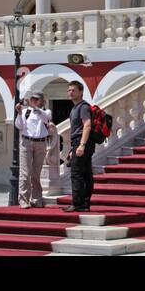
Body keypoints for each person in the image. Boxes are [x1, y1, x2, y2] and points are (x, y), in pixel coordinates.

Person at [14, 91, 55, 208]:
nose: (34, 101)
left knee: (36, 173)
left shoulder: (46, 111)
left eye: (37, 99)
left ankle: (36, 199)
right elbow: (19, 126)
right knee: (25, 173)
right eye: (32, 99)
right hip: (26, 142)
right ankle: (23, 200)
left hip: (41, 143)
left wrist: (34, 107)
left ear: (42, 101)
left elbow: (47, 118)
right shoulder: (26, 112)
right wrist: (19, 113)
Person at [65, 81, 94, 213]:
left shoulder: (83, 107)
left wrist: (81, 145)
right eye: (69, 90)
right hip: (78, 142)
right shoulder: (74, 108)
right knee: (85, 174)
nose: (70, 92)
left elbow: (87, 125)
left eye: (73, 90)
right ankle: (84, 204)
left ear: (81, 92)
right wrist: (73, 148)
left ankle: (78, 204)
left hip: (82, 142)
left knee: (77, 174)